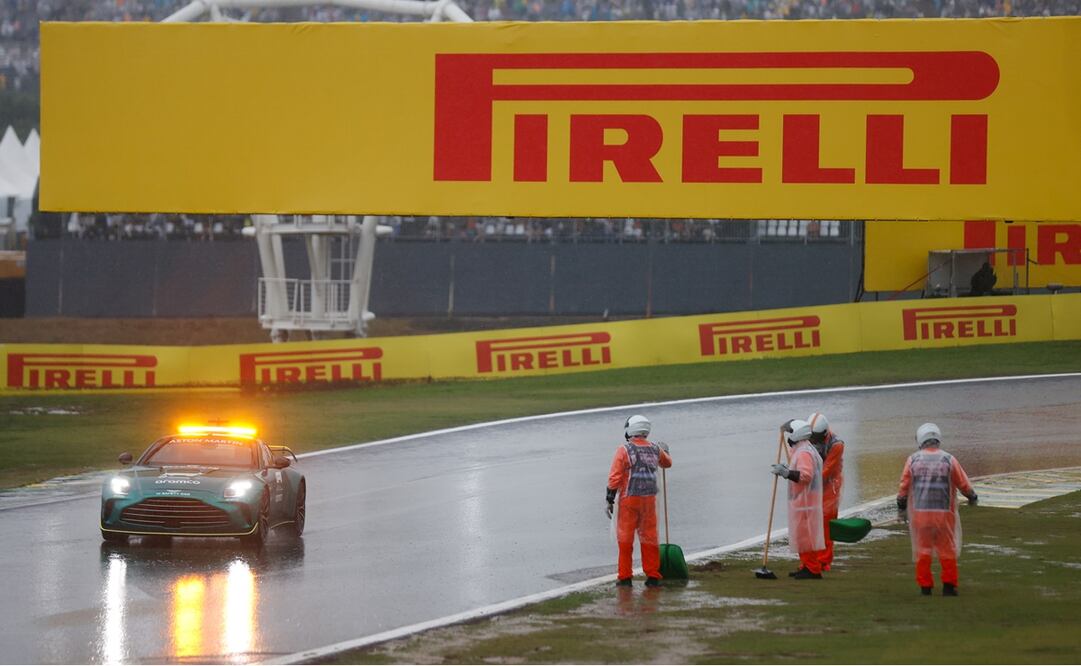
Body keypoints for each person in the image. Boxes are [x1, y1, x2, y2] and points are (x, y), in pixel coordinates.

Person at [896, 423, 978, 596]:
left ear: (920, 440)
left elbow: (903, 487)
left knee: (923, 551)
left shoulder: (913, 460)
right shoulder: (949, 459)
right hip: (944, 515)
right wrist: (972, 496)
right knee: (947, 550)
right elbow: (963, 483)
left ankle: (925, 587)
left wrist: (901, 507)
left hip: (920, 515)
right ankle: (949, 586)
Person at [606, 414, 672, 587]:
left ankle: (625, 577)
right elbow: (667, 463)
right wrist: (665, 450)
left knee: (626, 540)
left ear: (631, 429)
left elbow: (615, 477)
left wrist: (609, 498)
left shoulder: (624, 450)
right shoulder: (655, 449)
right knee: (649, 538)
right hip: (649, 501)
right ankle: (652, 575)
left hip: (629, 500)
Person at [770, 419, 826, 579]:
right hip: (804, 499)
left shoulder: (804, 453)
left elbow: (806, 476)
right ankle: (806, 565)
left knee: (805, 535)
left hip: (806, 501)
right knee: (802, 535)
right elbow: (799, 469)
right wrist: (786, 469)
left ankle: (813, 569)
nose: (789, 436)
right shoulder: (803, 449)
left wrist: (786, 473)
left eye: (791, 432)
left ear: (798, 433)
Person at [808, 412, 844, 571]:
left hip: (830, 486)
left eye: (815, 437)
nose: (812, 440)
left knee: (827, 525)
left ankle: (824, 561)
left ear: (823, 434)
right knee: (810, 523)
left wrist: (806, 480)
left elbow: (827, 469)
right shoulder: (807, 437)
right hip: (811, 483)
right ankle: (810, 559)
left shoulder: (836, 445)